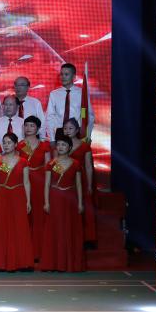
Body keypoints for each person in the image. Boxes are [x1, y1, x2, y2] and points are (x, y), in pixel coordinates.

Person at [0, 133, 34, 271]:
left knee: (20, 227)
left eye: (9, 142)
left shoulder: (23, 161)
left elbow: (26, 182)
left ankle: (23, 262)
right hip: (2, 195)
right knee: (1, 228)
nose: (6, 145)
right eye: (4, 142)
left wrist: (28, 201)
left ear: (15, 144)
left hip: (18, 195)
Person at [40, 135, 85, 272]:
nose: (60, 147)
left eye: (64, 145)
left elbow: (78, 185)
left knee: (69, 229)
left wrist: (80, 203)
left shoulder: (75, 164)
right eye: (58, 144)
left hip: (70, 199)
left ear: (69, 147)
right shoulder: (51, 164)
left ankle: (69, 263)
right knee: (55, 229)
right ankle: (53, 263)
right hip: (55, 198)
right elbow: (47, 184)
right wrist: (46, 202)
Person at [19, 116, 51, 261]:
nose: (28, 128)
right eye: (26, 125)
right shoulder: (19, 145)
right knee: (24, 216)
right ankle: (24, 252)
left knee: (39, 216)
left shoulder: (44, 146)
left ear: (38, 129)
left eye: (32, 126)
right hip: (22, 182)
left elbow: (48, 166)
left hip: (40, 182)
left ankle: (39, 251)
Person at [62, 117, 97, 247]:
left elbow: (88, 166)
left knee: (84, 207)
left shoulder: (85, 146)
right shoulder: (60, 145)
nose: (67, 131)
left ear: (77, 130)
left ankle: (88, 238)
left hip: (81, 179)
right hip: (65, 180)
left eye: (70, 128)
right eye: (65, 128)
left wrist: (89, 184)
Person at [46, 62, 94, 138]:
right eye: (61, 74)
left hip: (77, 132)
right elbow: (49, 116)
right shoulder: (54, 94)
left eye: (66, 74)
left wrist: (87, 135)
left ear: (74, 77)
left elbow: (88, 114)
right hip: (60, 132)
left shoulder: (82, 93)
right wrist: (52, 137)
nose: (63, 77)